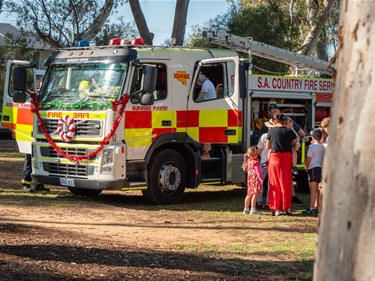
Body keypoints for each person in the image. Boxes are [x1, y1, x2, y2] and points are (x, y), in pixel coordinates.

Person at [263, 103, 304, 204]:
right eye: (271, 112)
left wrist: (297, 144)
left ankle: (284, 200)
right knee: (282, 179)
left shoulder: (288, 123)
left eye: (275, 111)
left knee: (282, 179)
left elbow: (300, 134)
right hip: (277, 153)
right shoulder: (268, 124)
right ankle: (285, 202)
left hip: (283, 153)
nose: (273, 113)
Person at [266, 114, 297, 216]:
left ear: (275, 122)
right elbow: (295, 141)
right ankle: (287, 208)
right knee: (286, 183)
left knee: (274, 183)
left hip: (275, 158)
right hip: (286, 158)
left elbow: (268, 147)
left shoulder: (271, 131)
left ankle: (276, 209)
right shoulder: (289, 131)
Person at [302, 129, 325, 215]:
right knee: (318, 189)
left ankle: (311, 207)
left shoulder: (312, 147)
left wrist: (306, 166)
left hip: (313, 168)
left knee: (313, 189)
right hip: (320, 167)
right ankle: (317, 206)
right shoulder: (322, 146)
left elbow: (308, 158)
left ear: (313, 137)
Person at [196, 73, 216, 159]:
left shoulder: (206, 83)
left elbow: (201, 95)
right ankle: (206, 152)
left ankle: (206, 153)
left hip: (208, 110)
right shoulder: (208, 83)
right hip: (208, 109)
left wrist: (194, 102)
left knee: (205, 132)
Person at [242, 146, 263, 215]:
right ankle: (253, 209)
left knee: (249, 194)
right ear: (255, 155)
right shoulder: (255, 162)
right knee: (255, 194)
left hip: (250, 180)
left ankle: (246, 208)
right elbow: (258, 171)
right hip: (255, 180)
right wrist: (260, 178)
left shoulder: (248, 161)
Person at [256, 120, 272, 209]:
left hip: (263, 161)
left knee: (260, 182)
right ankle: (268, 202)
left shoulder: (264, 136)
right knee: (271, 183)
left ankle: (258, 201)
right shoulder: (276, 136)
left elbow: (259, 149)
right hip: (272, 162)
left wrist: (263, 157)